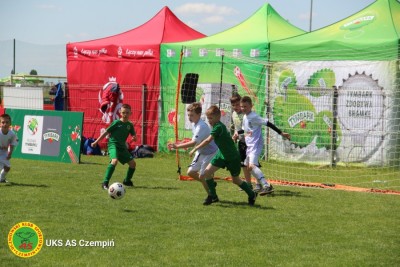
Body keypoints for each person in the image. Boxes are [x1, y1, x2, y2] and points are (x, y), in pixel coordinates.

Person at [189, 105, 257, 206]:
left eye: (211, 118)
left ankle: (252, 194)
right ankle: (213, 196)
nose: (209, 121)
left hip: (232, 156)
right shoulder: (216, 126)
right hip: (221, 154)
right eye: (208, 118)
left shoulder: (219, 127)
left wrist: (195, 148)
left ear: (218, 117)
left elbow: (208, 140)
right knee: (206, 174)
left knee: (235, 180)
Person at [240, 96, 291, 196]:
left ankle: (266, 185)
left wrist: (281, 133)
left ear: (251, 106)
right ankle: (260, 185)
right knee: (248, 166)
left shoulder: (254, 116)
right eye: (242, 106)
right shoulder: (245, 117)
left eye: (245, 106)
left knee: (251, 166)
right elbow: (245, 130)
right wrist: (237, 133)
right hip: (249, 146)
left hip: (256, 145)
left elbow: (268, 123)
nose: (243, 108)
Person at [170, 103, 218, 195]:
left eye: (192, 115)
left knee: (203, 175)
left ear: (199, 115)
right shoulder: (194, 124)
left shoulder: (201, 126)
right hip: (201, 152)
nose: (189, 117)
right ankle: (210, 184)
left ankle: (211, 196)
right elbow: (194, 141)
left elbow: (193, 143)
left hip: (210, 153)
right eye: (188, 115)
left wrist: (177, 146)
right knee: (191, 172)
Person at [91, 104, 137, 190]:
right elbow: (106, 132)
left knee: (133, 164)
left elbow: (134, 135)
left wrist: (134, 138)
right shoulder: (116, 123)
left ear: (131, 113)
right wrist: (96, 142)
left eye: (127, 113)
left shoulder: (130, 125)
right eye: (123, 112)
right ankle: (105, 182)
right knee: (114, 161)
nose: (125, 114)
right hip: (113, 145)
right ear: (120, 113)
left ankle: (127, 181)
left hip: (122, 147)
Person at [230, 93, 253, 189]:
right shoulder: (234, 114)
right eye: (233, 105)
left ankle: (263, 183)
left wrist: (239, 133)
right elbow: (237, 128)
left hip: (250, 142)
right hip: (242, 142)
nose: (235, 107)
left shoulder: (246, 115)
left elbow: (249, 129)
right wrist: (235, 135)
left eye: (237, 105)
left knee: (251, 164)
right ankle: (249, 184)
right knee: (244, 165)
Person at [0, 114, 18, 183]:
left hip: (4, 152)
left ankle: (1, 178)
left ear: (10, 123)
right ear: (0, 123)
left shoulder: (12, 134)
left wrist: (10, 153)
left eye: (7, 122)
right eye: (3, 122)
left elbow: (12, 144)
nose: (5, 124)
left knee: (7, 167)